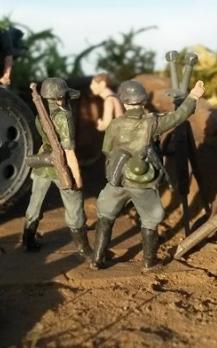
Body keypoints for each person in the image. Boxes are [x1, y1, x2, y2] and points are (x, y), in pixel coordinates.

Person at [90, 79, 205, 270]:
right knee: (150, 219)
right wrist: (193, 96)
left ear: (125, 102)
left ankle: (97, 258)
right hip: (142, 181)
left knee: (106, 215)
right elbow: (179, 116)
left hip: (117, 179)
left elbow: (106, 150)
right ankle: (149, 262)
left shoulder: (115, 124)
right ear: (143, 101)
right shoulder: (153, 122)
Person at [22, 77, 92, 260]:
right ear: (61, 97)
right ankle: (84, 250)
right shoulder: (63, 117)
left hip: (43, 163)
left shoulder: (41, 114)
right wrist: (77, 178)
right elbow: (69, 152)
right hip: (62, 164)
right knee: (74, 204)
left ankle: (27, 241)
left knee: (35, 204)